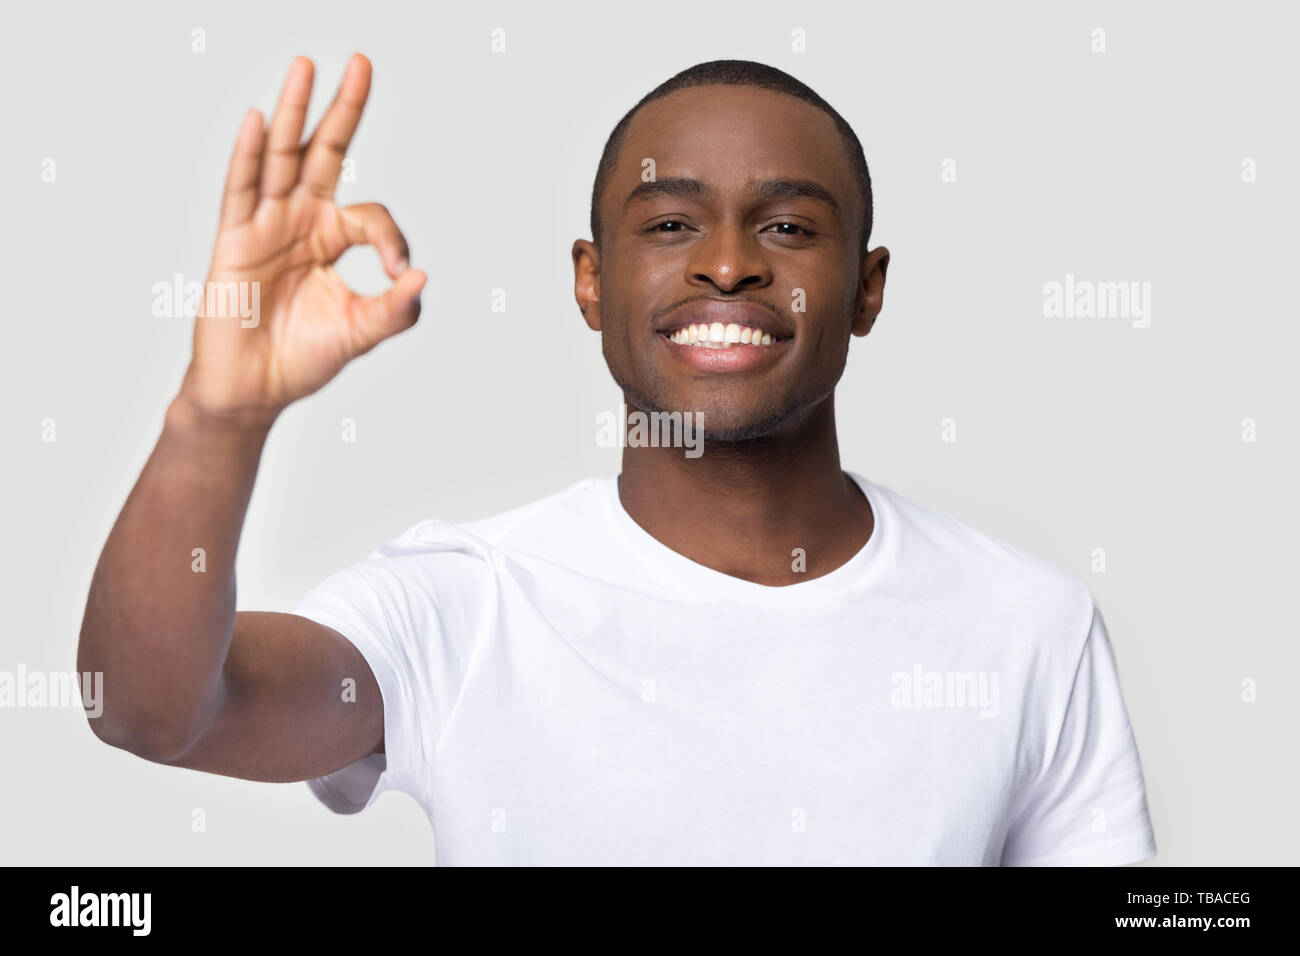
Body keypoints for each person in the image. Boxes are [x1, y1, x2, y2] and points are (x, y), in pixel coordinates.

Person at [79, 53, 1157, 866]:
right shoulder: (468, 604)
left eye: (786, 228)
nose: (728, 264)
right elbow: (155, 709)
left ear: (866, 287)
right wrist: (213, 420)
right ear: (590, 283)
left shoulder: (1024, 622)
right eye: (671, 223)